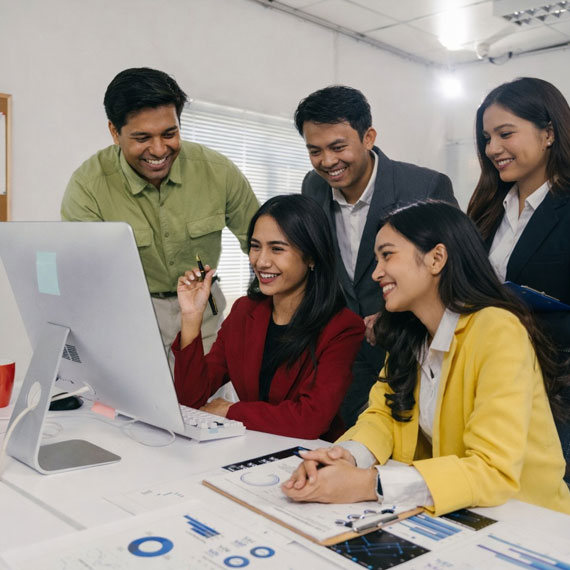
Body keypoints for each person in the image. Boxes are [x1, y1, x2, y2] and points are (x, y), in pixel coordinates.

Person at [282, 201, 570, 515]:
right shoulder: (412, 332)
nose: (376, 273)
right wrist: (345, 456)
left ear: (436, 258)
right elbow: (383, 416)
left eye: (387, 255)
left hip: (526, 519)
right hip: (462, 511)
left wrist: (369, 484)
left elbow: (492, 468)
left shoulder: (497, 330)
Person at [61, 67, 259, 362]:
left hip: (204, 314)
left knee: (206, 392)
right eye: (142, 137)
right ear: (115, 132)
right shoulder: (88, 185)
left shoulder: (218, 171)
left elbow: (263, 245)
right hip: (131, 318)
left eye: (169, 134)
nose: (158, 150)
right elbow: (82, 275)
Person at [294, 85, 457, 428]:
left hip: (410, 353)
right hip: (343, 358)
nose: (327, 162)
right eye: (315, 151)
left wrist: (393, 318)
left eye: (338, 147)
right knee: (353, 443)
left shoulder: (424, 188)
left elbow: (454, 274)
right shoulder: (313, 186)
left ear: (368, 137)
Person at [172, 194, 364, 440]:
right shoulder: (245, 311)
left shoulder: (343, 328)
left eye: (277, 249)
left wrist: (230, 410)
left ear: (311, 256)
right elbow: (190, 399)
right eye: (255, 246)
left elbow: (310, 420)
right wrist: (191, 316)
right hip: (252, 445)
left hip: (311, 454)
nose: (261, 261)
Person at [467, 77, 570, 477]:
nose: (492, 148)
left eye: (505, 134)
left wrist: (520, 313)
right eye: (487, 138)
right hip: (491, 385)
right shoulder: (486, 209)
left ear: (548, 133)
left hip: (556, 392)